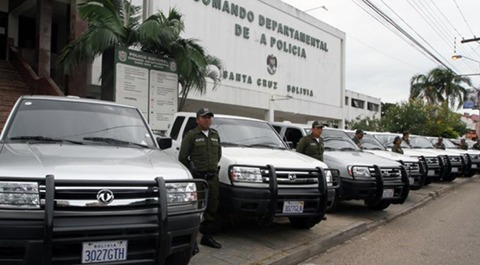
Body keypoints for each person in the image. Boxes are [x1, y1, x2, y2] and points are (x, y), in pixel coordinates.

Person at [179, 107, 222, 250]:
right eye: (204, 117)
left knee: (212, 208)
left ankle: (207, 237)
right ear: (197, 120)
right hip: (198, 179)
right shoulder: (191, 135)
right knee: (197, 210)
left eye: (209, 117)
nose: (208, 120)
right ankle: (193, 242)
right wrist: (192, 174)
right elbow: (183, 157)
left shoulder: (215, 135)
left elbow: (219, 155)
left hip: (213, 178)